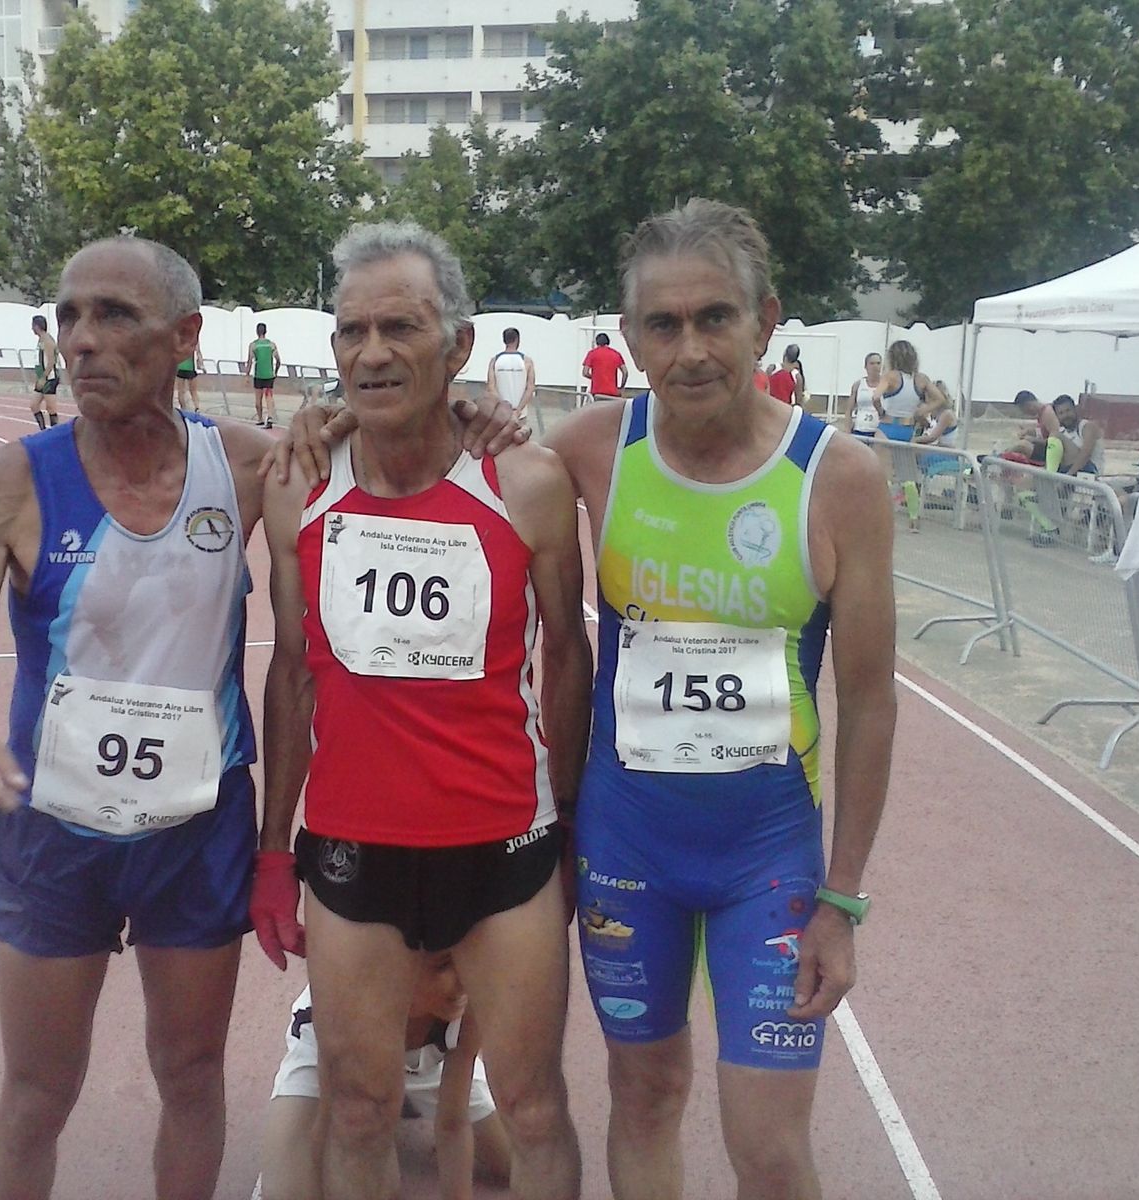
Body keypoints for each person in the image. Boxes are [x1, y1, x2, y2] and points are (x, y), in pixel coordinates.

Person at [0, 236, 285, 1200]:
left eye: (115, 315)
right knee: (37, 1093)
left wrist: (473, 406)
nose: (81, 340)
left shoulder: (241, 465)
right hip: (54, 830)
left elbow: (390, 438)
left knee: (191, 1078)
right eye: (69, 315)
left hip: (196, 833)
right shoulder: (12, 482)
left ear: (185, 337)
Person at [545, 200, 895, 1200]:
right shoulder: (589, 449)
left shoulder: (839, 480)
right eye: (663, 324)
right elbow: (439, 457)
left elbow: (870, 702)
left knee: (769, 1147)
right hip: (624, 848)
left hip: (767, 861)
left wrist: (843, 900)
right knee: (644, 1094)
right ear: (630, 339)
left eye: (715, 318)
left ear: (764, 319)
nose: (690, 349)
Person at [258, 221, 590, 1200]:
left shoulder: (525, 481)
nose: (370, 351)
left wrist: (566, 820)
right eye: (350, 330)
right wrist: (276, 850)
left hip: (502, 849)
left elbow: (566, 657)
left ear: (456, 345)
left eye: (398, 326)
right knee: (358, 1109)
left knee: (534, 1109)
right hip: (354, 850)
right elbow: (290, 674)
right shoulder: (298, 487)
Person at [260, 951, 513, 1200]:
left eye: (466, 961)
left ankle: (403, 1101)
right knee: (293, 1190)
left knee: (512, 1159)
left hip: (428, 1062)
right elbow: (329, 1122)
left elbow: (453, 1124)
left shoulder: (469, 995)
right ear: (399, 969)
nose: (462, 978)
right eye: (443, 965)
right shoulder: (353, 1003)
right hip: (337, 1060)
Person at [870, 340, 933, 441]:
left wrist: (881, 412)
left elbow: (875, 397)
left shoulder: (890, 376)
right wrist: (923, 411)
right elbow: (940, 399)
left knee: (881, 456)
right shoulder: (921, 379)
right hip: (907, 426)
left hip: (887, 425)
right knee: (903, 456)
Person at [488, 327, 537, 417]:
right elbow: (530, 388)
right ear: (517, 340)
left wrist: (503, 408)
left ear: (504, 340)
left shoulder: (494, 361)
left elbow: (491, 387)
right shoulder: (527, 361)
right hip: (520, 414)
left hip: (501, 414)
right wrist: (518, 410)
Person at [1051, 395, 1103, 474]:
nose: (1065, 415)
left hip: (1088, 470)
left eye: (1068, 411)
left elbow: (1086, 454)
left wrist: (1068, 475)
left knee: (1055, 436)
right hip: (1067, 469)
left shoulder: (1087, 427)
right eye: (1061, 413)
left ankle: (1051, 474)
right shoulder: (1062, 431)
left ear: (1075, 409)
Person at [29, 315, 62, 430]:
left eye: (33, 326)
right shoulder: (41, 340)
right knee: (34, 405)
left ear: (37, 326)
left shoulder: (47, 340)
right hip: (42, 378)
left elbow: (51, 361)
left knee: (51, 408)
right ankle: (43, 430)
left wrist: (44, 377)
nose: (31, 328)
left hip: (49, 378)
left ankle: (54, 432)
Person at [249, 322, 282, 428]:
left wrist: (246, 374)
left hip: (258, 375)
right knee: (269, 397)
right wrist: (275, 372)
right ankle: (270, 416)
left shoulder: (253, 345)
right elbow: (278, 360)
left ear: (257, 332)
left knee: (258, 399)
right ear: (266, 331)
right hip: (269, 374)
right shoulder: (272, 345)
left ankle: (260, 418)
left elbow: (250, 361)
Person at [581, 332, 628, 402]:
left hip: (597, 392)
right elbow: (625, 372)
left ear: (597, 342)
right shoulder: (616, 354)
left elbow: (585, 373)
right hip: (612, 392)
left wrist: (595, 377)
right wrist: (621, 387)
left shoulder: (592, 354)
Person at [847, 351, 883, 436]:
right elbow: (849, 410)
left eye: (878, 363)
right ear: (865, 366)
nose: (875, 366)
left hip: (879, 430)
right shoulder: (858, 385)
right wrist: (847, 428)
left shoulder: (887, 385)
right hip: (860, 429)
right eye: (872, 363)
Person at [768, 343, 806, 407]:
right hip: (786, 409)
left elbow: (763, 388)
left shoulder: (772, 369)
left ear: (784, 354)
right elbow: (798, 401)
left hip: (770, 406)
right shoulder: (797, 376)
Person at [175, 325, 201, 413]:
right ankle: (197, 408)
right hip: (190, 368)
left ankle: (184, 409)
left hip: (180, 367)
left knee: (181, 391)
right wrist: (201, 364)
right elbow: (198, 352)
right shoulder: (193, 339)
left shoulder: (179, 338)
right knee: (193, 391)